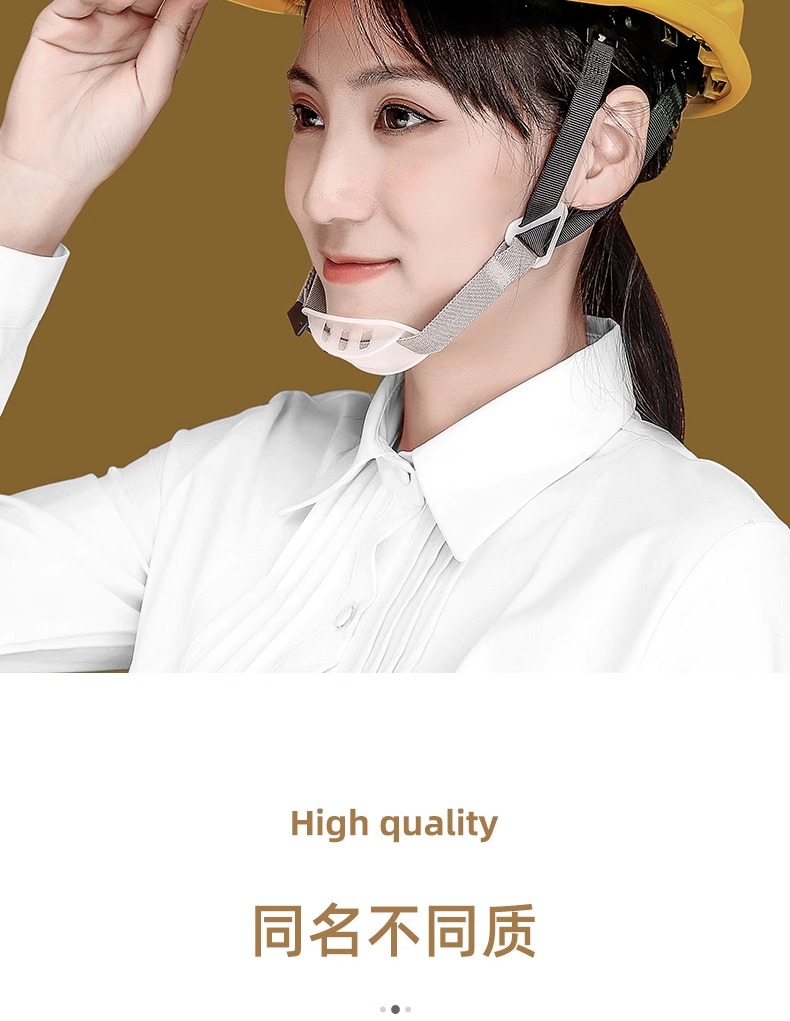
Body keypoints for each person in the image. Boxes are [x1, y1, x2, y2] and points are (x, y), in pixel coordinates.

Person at [0, 0, 788, 672]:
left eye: (401, 116)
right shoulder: (225, 482)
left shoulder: (706, 569)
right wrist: (29, 186)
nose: (324, 194)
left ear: (599, 151)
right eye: (308, 115)